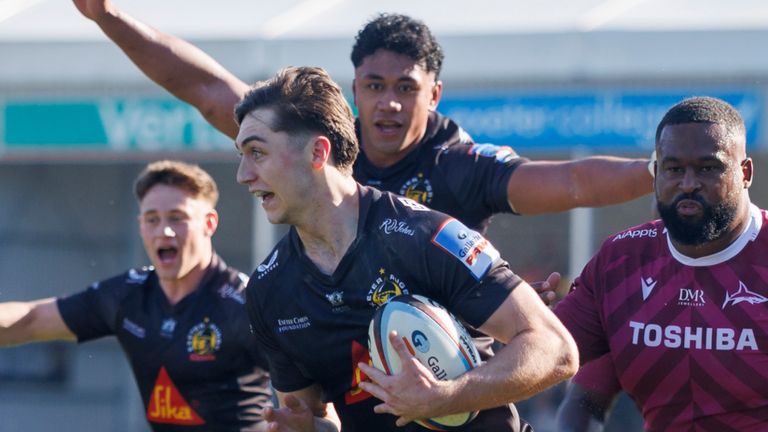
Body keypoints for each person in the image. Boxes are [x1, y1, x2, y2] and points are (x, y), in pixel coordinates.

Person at [71, 1, 653, 236]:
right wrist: (110, 16)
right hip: (332, 368)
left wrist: (674, 172)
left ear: (435, 95)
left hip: (441, 387)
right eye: (375, 87)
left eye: (407, 88)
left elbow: (573, 181)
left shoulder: (462, 167)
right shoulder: (317, 138)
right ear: (355, 89)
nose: (389, 104)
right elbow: (204, 88)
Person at [236, 66, 578, 432]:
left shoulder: (426, 236)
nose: (243, 174)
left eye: (257, 152)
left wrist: (446, 396)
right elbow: (315, 418)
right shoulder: (269, 291)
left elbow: (556, 349)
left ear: (318, 153)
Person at [0, 160, 272, 431]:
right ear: (141, 226)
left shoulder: (243, 302)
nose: (164, 231)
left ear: (209, 223)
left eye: (177, 218)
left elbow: (304, 383)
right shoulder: (128, 295)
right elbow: (31, 319)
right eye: (152, 219)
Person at [554, 96, 768, 430]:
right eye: (674, 169)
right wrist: (524, 315)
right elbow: (581, 399)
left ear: (745, 172)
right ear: (656, 175)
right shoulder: (619, 262)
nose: (688, 183)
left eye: (707, 168)